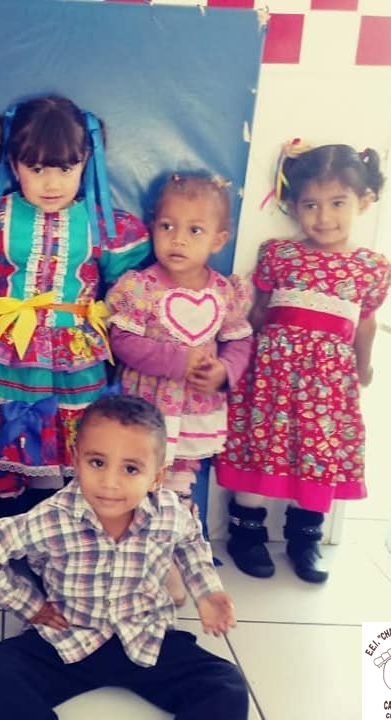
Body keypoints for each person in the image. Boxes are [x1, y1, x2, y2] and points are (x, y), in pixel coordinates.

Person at [0, 95, 150, 601]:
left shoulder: (100, 223)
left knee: (63, 457)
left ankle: (46, 556)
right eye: (36, 169)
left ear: (85, 162)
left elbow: (129, 285)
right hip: (5, 353)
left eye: (66, 169)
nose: (52, 182)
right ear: (14, 165)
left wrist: (115, 324)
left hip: (75, 359)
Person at [0, 394, 247, 720]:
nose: (110, 483)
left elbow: (191, 542)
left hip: (146, 637)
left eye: (131, 469)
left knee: (227, 684)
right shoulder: (52, 516)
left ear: (156, 478)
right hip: (70, 637)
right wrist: (31, 606)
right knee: (0, 665)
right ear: (76, 460)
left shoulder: (170, 512)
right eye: (97, 463)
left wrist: (207, 592)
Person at [216, 140, 391, 583]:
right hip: (271, 378)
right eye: (311, 204)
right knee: (263, 448)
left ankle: (304, 539)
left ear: (364, 202)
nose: (324, 216)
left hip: (328, 386)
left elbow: (365, 324)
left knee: (318, 454)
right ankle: (246, 534)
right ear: (293, 206)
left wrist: (364, 367)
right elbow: (258, 313)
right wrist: (239, 362)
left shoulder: (370, 267)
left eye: (338, 203)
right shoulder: (279, 254)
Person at [105, 173, 252, 605]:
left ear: (219, 240)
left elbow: (240, 340)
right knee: (135, 482)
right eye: (167, 226)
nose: (179, 240)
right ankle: (125, 560)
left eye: (195, 230)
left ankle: (170, 562)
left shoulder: (224, 292)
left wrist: (225, 370)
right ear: (153, 227)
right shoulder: (139, 287)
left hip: (192, 414)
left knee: (176, 490)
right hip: (146, 411)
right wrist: (176, 360)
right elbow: (122, 341)